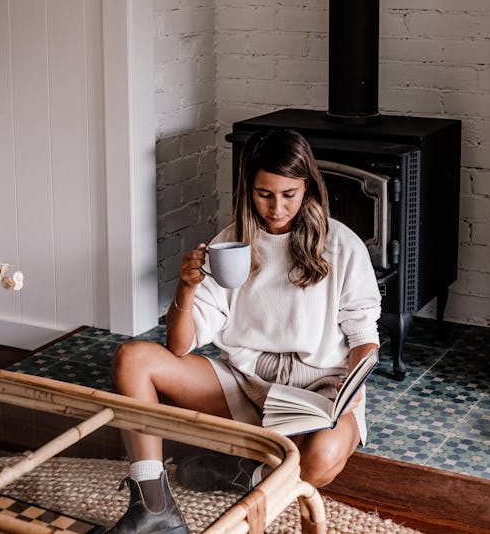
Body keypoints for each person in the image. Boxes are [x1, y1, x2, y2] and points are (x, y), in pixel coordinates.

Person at [107, 129, 381, 534]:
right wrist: (186, 286)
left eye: (289, 194)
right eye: (264, 193)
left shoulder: (342, 245)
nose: (276, 208)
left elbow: (363, 338)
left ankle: (245, 474)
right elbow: (180, 346)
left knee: (320, 460)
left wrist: (351, 390)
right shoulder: (229, 243)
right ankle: (153, 504)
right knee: (132, 358)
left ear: (308, 187)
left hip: (319, 392)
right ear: (247, 189)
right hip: (246, 385)